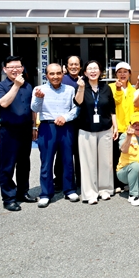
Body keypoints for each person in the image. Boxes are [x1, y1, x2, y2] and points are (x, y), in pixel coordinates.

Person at [31, 63, 79, 208]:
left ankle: (69, 190)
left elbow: (76, 109)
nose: (55, 76)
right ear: (47, 75)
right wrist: (39, 98)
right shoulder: (39, 89)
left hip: (66, 127)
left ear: (63, 74)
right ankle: (45, 194)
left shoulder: (70, 89)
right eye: (52, 74)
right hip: (47, 127)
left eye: (58, 73)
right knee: (46, 162)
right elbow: (34, 108)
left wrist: (65, 117)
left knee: (67, 160)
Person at [0, 56, 37, 211]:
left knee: (24, 164)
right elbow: (4, 103)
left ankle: (22, 192)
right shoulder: (0, 86)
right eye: (11, 67)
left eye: (18, 66)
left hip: (26, 129)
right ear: (4, 69)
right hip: (9, 131)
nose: (15, 70)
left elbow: (32, 108)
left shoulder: (28, 86)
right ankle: (8, 198)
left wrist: (34, 127)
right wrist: (16, 86)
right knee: (7, 165)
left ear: (22, 68)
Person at [74, 60, 118, 205]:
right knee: (88, 162)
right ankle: (90, 193)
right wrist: (81, 88)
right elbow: (78, 102)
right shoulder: (81, 86)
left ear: (100, 71)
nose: (93, 71)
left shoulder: (106, 88)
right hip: (86, 129)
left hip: (105, 128)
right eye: (90, 69)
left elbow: (112, 109)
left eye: (95, 68)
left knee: (106, 161)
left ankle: (105, 189)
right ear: (85, 72)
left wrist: (115, 126)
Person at [116, 112, 139, 207]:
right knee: (135, 165)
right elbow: (123, 150)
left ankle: (133, 185)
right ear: (130, 125)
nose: (137, 126)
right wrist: (129, 136)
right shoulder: (125, 135)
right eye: (134, 124)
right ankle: (133, 195)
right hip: (125, 171)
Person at [110, 61, 136, 193]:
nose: (122, 74)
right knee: (115, 156)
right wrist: (119, 90)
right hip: (116, 128)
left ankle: (126, 181)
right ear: (116, 74)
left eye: (125, 72)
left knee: (129, 156)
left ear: (130, 74)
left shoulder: (134, 90)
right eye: (119, 72)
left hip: (130, 129)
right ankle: (115, 183)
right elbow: (113, 104)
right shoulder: (110, 88)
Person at [58, 55, 83, 187]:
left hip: (81, 122)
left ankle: (80, 179)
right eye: (71, 64)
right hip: (65, 122)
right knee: (63, 151)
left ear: (80, 66)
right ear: (67, 67)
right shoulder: (61, 79)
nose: (74, 67)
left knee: (80, 152)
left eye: (76, 64)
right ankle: (60, 180)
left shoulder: (84, 80)